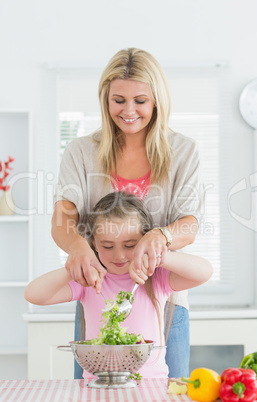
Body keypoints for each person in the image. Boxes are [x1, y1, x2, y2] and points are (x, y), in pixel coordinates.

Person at [51, 48, 201, 378]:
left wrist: (160, 235)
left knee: (168, 393)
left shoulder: (183, 151)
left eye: (140, 101)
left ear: (157, 101)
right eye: (119, 100)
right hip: (98, 301)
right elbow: (63, 218)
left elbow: (190, 224)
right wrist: (77, 246)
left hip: (165, 304)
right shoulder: (81, 151)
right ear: (106, 100)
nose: (129, 110)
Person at [27, 192, 212, 379]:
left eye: (130, 245)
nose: (119, 255)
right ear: (94, 245)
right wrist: (75, 264)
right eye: (108, 246)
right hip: (99, 384)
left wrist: (159, 256)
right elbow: (34, 294)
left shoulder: (155, 278)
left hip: (151, 384)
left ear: (143, 241)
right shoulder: (89, 281)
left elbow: (205, 272)